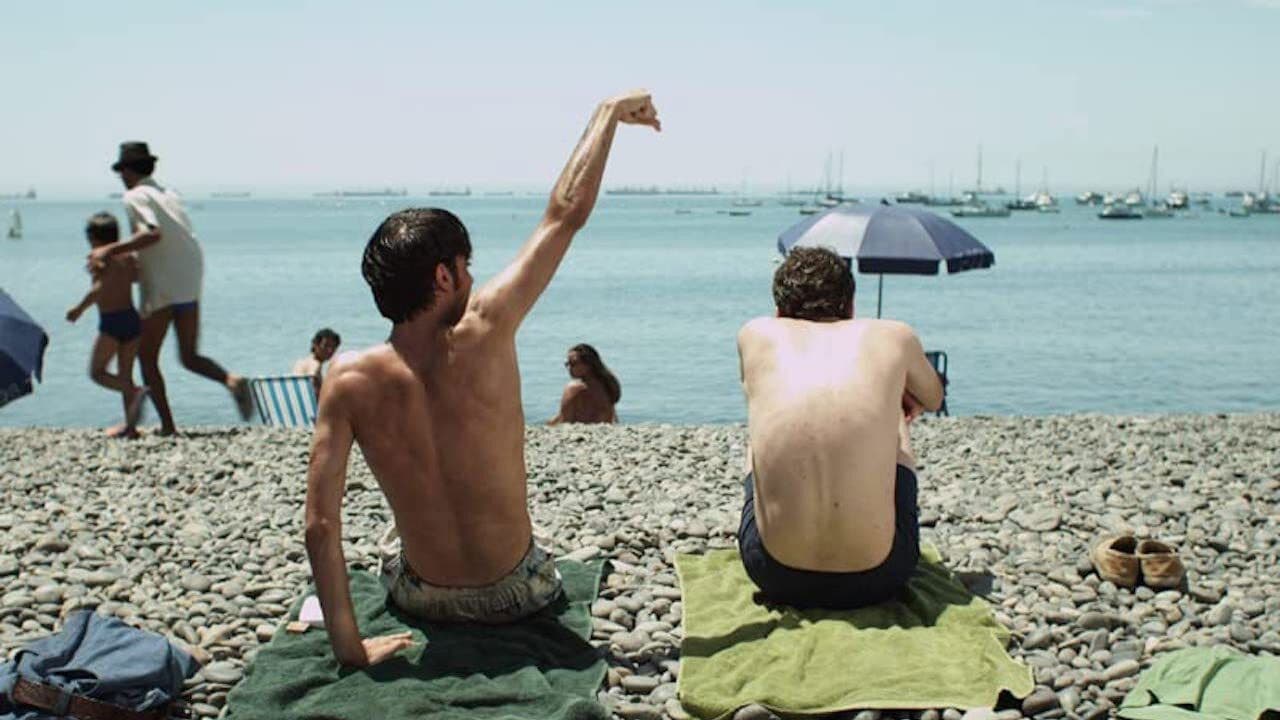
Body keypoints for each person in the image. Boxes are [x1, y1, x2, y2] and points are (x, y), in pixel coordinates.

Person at [304, 90, 660, 667]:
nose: (473, 279)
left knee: (394, 541)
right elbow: (564, 214)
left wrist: (351, 649)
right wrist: (608, 113)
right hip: (519, 592)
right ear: (443, 276)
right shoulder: (488, 327)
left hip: (423, 597)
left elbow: (320, 526)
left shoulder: (345, 379)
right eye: (466, 267)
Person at [735, 246, 944, 609]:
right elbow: (934, 397)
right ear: (850, 306)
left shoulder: (755, 334)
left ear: (779, 311)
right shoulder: (894, 335)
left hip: (772, 572)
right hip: (880, 576)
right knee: (893, 418)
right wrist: (894, 397)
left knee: (760, 432)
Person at [90, 142, 252, 436]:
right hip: (190, 275)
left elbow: (152, 234)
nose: (121, 177)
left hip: (162, 282)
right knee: (189, 355)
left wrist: (108, 250)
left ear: (128, 171)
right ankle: (231, 380)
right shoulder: (169, 194)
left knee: (147, 357)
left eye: (122, 172)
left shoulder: (134, 196)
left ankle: (167, 426)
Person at [65, 212, 148, 438]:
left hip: (112, 322)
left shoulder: (98, 257)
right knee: (124, 374)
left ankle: (135, 391)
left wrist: (79, 309)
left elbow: (98, 289)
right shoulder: (127, 256)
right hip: (132, 319)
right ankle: (130, 428)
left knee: (97, 373)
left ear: (93, 238)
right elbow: (138, 277)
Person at [548, 343, 620, 424]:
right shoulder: (607, 385)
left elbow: (565, 422)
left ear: (588, 365)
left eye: (573, 363)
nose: (569, 367)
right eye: (567, 364)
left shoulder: (573, 388)